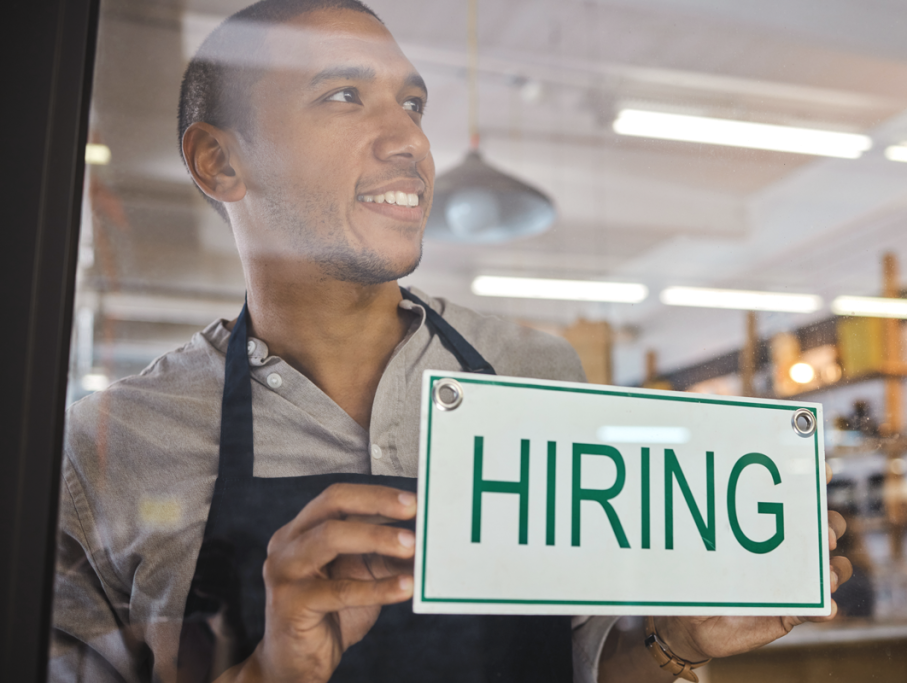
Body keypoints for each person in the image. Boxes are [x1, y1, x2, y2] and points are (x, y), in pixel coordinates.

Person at [49, 1, 852, 681]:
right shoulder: (109, 450)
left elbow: (583, 657)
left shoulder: (536, 371)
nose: (408, 139)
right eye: (342, 96)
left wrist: (675, 641)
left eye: (413, 104)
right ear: (219, 162)